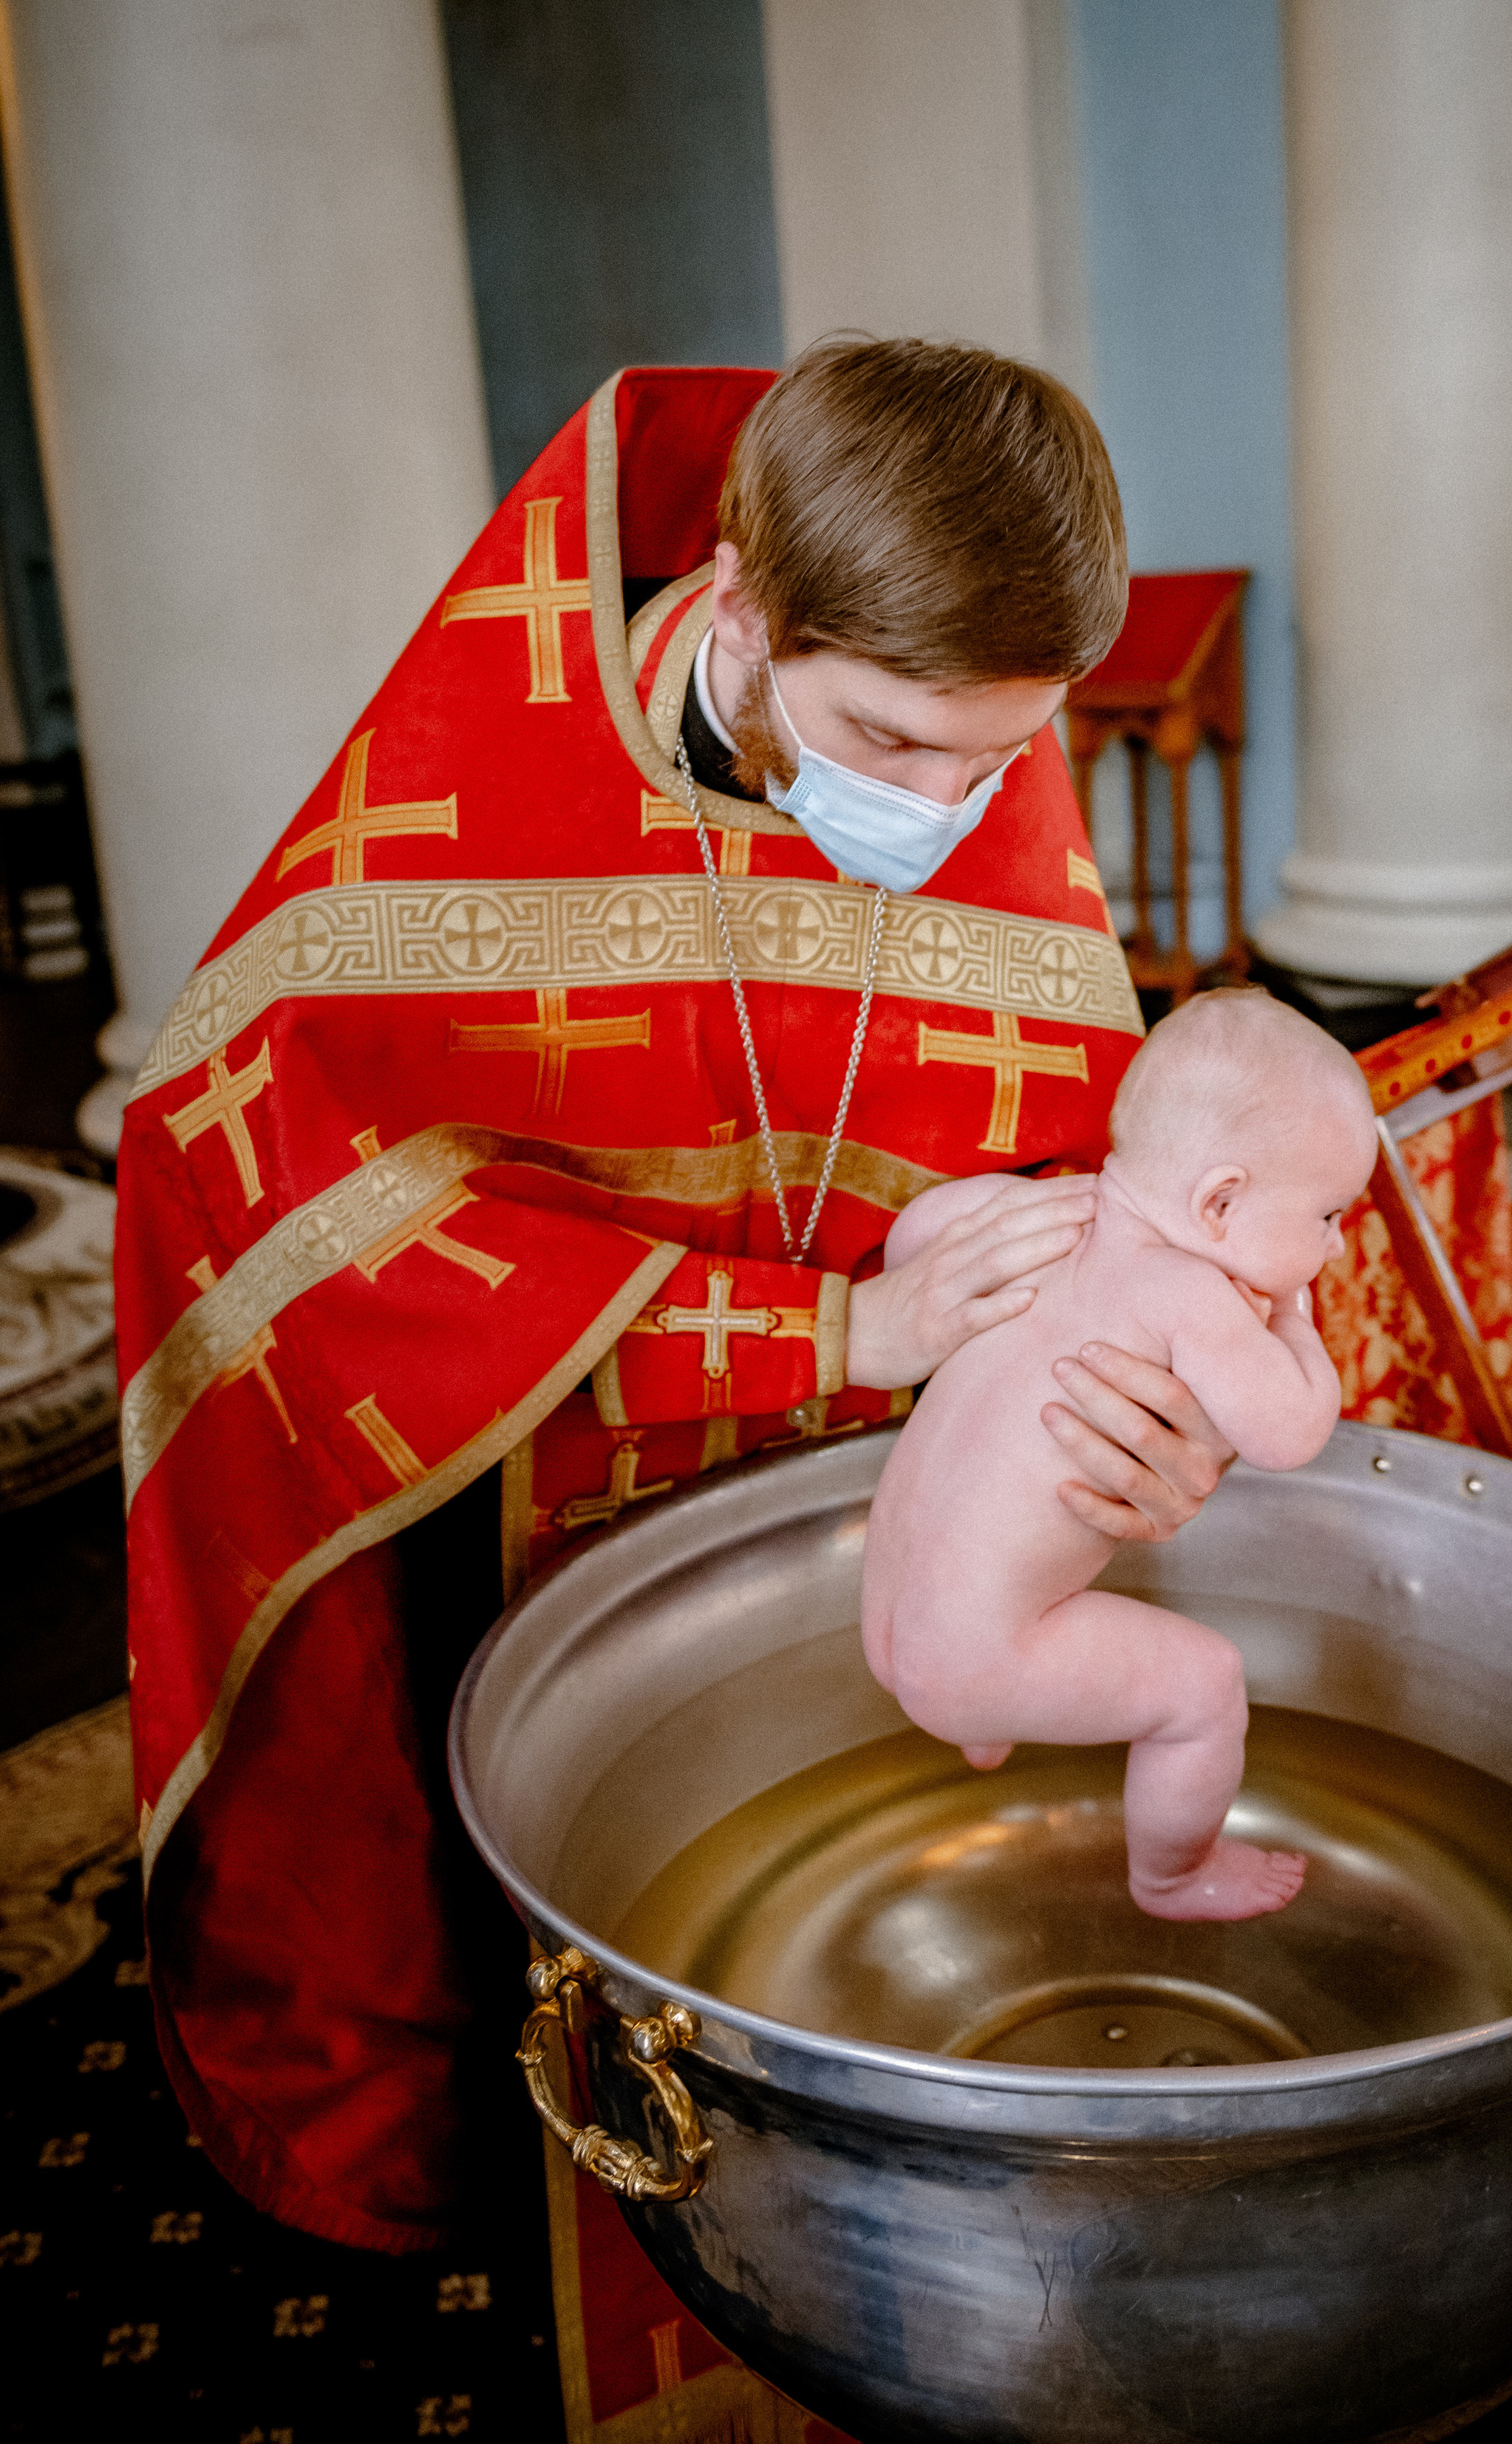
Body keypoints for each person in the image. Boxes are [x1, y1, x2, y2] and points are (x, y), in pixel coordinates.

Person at [116, 341, 1247, 2256]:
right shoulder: (491, 768)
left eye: (1004, 753)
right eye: (892, 745)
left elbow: (1065, 1147)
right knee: (519, 1913)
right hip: (508, 1492)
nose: (956, 805)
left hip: (867, 1511)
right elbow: (291, 1206)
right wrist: (823, 1334)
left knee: (827, 1944)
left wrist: (1143, 1394)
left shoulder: (962, 693)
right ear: (737, 605)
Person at [863, 989, 1377, 1920]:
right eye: (1328, 1216)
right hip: (971, 1661)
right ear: (1219, 1202)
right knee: (1205, 1690)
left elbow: (914, 1242)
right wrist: (1295, 1326)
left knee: (991, 1596)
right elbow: (1289, 1432)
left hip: (884, 1622)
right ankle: (1173, 1876)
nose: (1335, 1248)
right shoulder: (1186, 1292)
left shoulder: (1025, 1213)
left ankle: (986, 1716)